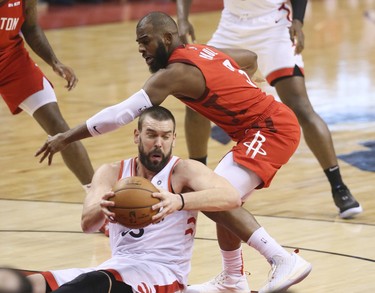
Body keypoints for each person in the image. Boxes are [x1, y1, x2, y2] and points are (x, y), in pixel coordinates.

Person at [35, 12, 312, 293]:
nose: (141, 48)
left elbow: (121, 114)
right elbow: (249, 57)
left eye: (146, 41)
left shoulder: (173, 74)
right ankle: (233, 279)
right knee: (220, 198)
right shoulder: (203, 51)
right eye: (138, 43)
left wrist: (67, 137)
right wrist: (244, 85)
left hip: (269, 129)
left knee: (216, 195)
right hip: (259, 129)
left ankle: (282, 259)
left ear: (167, 38)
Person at [176, 0, 363, 220]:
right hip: (231, 26)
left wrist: (298, 21)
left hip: (273, 26)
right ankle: (199, 178)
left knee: (300, 106)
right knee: (195, 102)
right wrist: (182, 18)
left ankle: (338, 186)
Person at [27, 106, 242, 293]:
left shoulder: (183, 171)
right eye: (151, 135)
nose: (159, 143)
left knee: (95, 283)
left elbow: (232, 197)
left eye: (166, 136)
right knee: (23, 284)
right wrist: (103, 208)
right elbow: (87, 225)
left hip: (162, 275)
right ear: (137, 136)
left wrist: (179, 201)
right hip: (117, 266)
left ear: (174, 139)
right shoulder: (111, 172)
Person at [0, 0, 94, 192]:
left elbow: (32, 27)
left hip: (12, 62)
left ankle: (96, 196)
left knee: (59, 127)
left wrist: (54, 62)